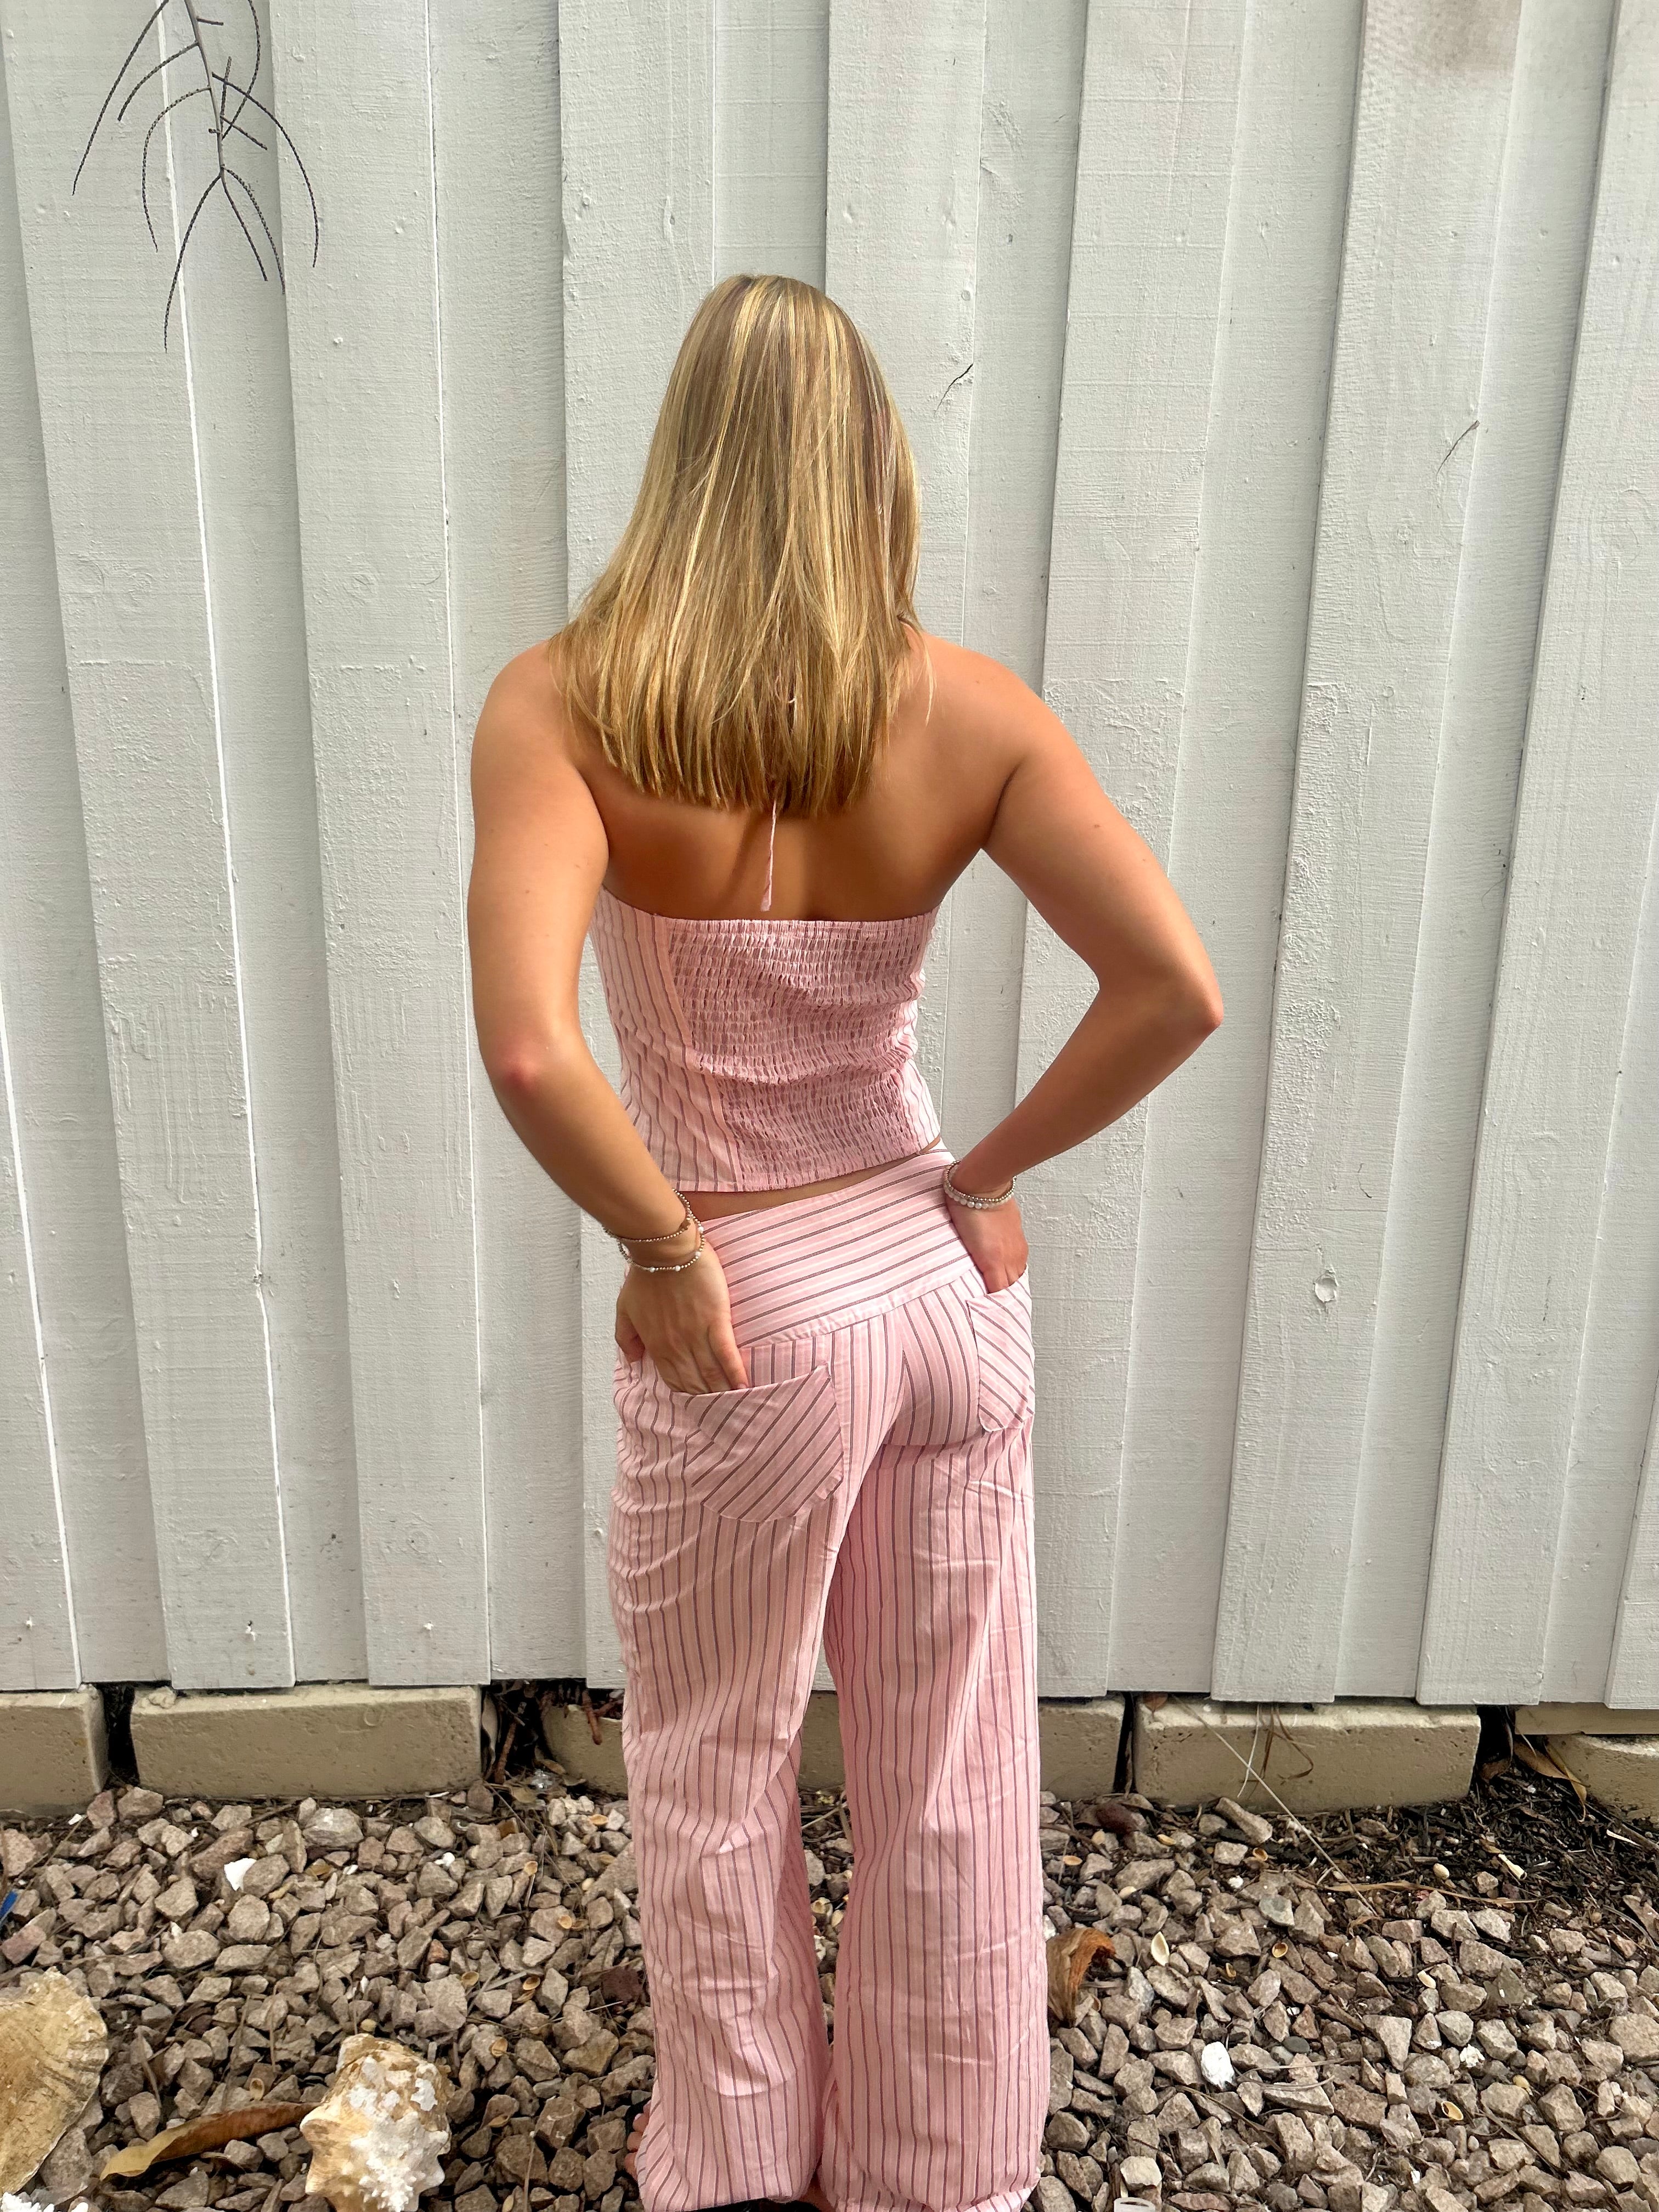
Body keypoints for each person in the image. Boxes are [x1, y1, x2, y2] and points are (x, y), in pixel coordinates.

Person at [466, 273, 1222, 2212]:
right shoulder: (970, 711)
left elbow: (534, 1047)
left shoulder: (565, 706)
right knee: (953, 1762)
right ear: (873, 465)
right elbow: (1173, 988)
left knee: (715, 1763)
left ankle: (733, 2166)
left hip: (749, 1307)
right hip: (943, 1292)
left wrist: (659, 1247)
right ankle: (938, 2170)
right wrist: (985, 1178)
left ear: (683, 459)